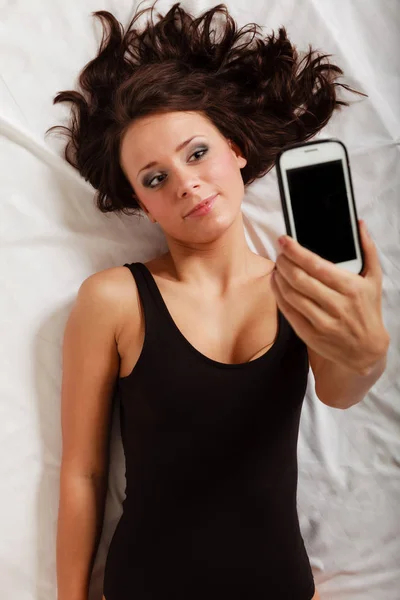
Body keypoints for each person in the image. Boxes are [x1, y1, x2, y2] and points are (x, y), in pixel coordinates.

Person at [49, 2, 366, 599]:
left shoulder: (299, 288)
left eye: (196, 153)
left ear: (237, 150)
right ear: (142, 205)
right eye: (154, 177)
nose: (186, 182)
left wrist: (366, 340)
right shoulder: (115, 300)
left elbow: (343, 391)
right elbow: (84, 474)